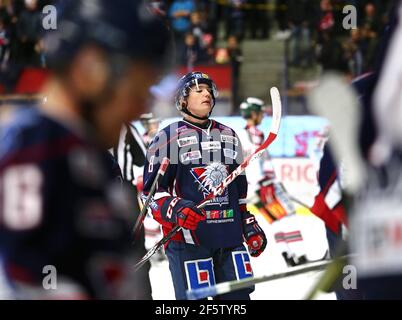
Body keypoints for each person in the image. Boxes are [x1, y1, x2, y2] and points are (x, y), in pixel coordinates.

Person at [0, 0, 170, 299]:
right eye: (136, 88)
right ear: (90, 68)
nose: (139, 107)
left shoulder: (88, 157)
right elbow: (24, 280)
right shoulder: (35, 150)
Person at [143, 71, 267, 300]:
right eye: (198, 90)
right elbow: (150, 197)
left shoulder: (230, 135)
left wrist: (247, 223)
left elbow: (238, 193)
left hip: (229, 238)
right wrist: (176, 208)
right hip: (188, 241)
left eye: (209, 90)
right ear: (182, 100)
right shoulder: (167, 138)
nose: (207, 94)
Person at [237, 97, 307, 267]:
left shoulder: (242, 135)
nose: (263, 116)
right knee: (288, 217)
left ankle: (288, 255)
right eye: (260, 113)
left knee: (275, 221)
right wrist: (265, 182)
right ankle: (300, 256)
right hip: (263, 185)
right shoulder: (253, 135)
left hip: (254, 187)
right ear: (253, 114)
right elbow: (255, 161)